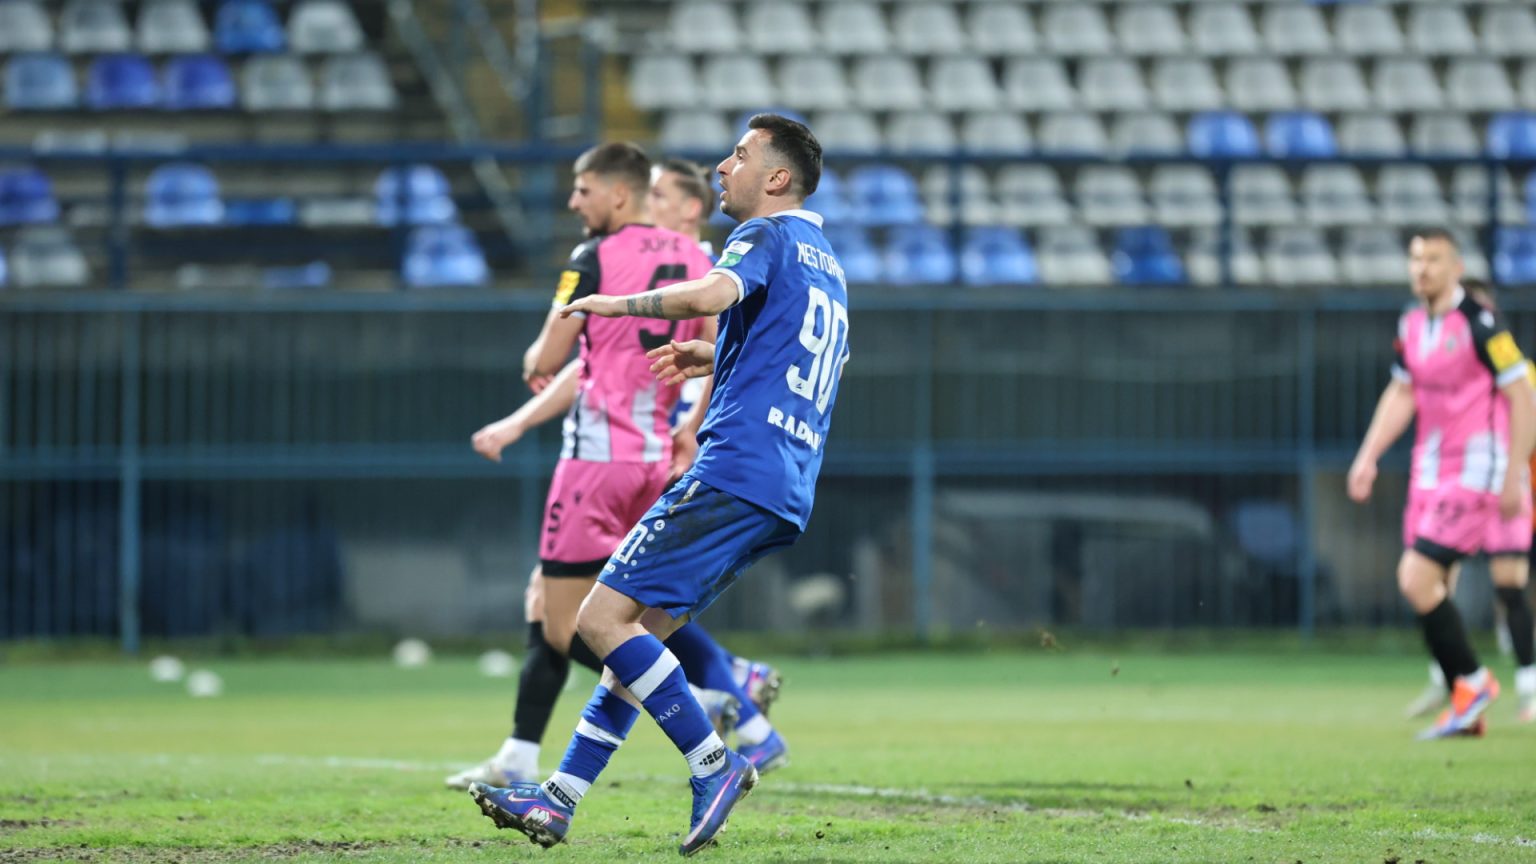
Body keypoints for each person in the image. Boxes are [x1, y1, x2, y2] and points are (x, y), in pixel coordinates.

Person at [469, 114, 848, 855]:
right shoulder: (826, 261)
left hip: (733, 468)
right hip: (784, 483)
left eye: (740, 155)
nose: (723, 166)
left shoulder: (765, 235)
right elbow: (805, 356)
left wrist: (614, 305)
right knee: (635, 642)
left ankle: (715, 761)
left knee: (596, 620)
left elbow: (707, 296)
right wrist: (720, 356)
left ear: (777, 178)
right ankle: (558, 800)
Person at [446, 147, 786, 792]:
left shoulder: (595, 257)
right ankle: (525, 752)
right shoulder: (704, 265)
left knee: (567, 622)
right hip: (658, 460)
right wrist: (691, 429)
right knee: (637, 609)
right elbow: (723, 351)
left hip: (596, 467)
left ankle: (704, 703)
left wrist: (535, 365)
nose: (574, 202)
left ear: (619, 193)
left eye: (583, 189)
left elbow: (551, 355)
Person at [1349, 230, 1536, 739]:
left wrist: (1513, 473)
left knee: (1419, 577)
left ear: (1456, 267)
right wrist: (1368, 455)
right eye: (1415, 258)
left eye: (1433, 259)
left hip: (1475, 473)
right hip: (1428, 475)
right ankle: (1464, 701)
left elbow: (1523, 397)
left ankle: (1476, 683)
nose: (1422, 268)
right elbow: (1402, 392)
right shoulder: (1411, 324)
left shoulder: (1482, 324)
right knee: (1428, 586)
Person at [1401, 280, 1536, 723]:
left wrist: (1517, 477)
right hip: (1460, 483)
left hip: (1505, 484)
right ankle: (1450, 681)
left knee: (1509, 585)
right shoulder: (1448, 361)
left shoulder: (1517, 369)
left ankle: (1529, 688)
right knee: (1433, 581)